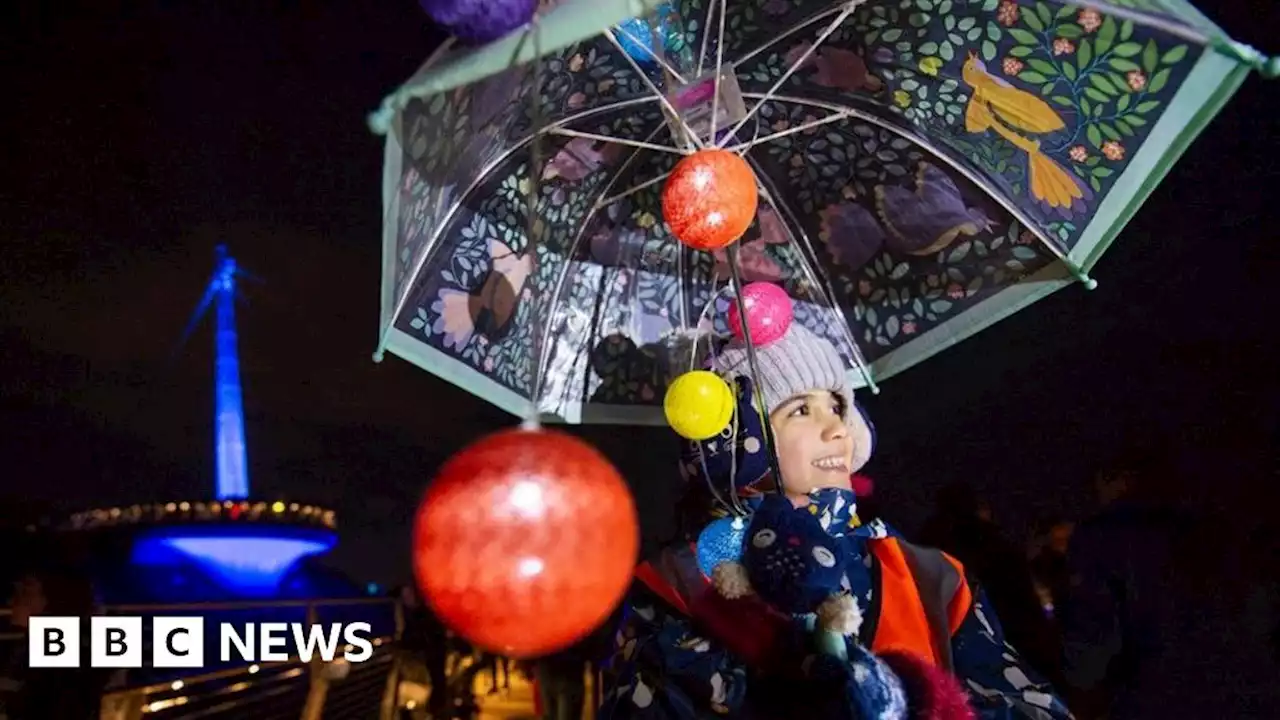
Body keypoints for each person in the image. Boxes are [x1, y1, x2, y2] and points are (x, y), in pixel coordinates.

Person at [598, 323, 1070, 719]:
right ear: (735, 440)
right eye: (801, 410)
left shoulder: (930, 578)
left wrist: (918, 704)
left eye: (838, 406)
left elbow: (1029, 704)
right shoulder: (675, 587)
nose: (837, 429)